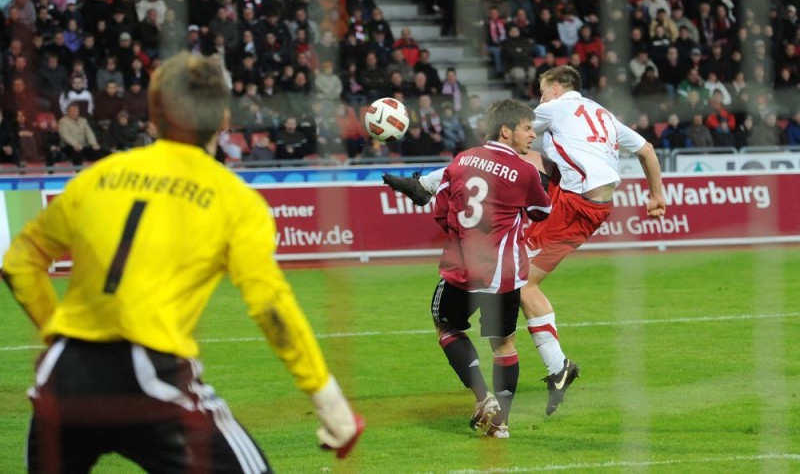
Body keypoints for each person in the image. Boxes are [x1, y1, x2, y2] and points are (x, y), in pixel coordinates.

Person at [1, 52, 364, 473]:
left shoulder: (98, 177)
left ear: (154, 114)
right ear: (224, 117)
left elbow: (18, 261)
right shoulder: (235, 201)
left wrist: (58, 333)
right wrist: (330, 402)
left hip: (61, 381)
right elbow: (270, 305)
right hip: (149, 374)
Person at [383, 66, 666, 415]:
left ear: (558, 89)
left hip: (573, 203)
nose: (540, 99)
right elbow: (648, 150)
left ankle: (424, 186)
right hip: (596, 205)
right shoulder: (601, 114)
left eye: (543, 90)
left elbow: (510, 133)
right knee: (526, 274)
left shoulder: (557, 107)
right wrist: (656, 195)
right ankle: (557, 367)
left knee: (522, 279)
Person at [431, 99, 551, 439]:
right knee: (504, 346)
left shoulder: (461, 159)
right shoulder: (526, 171)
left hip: (462, 268)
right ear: (506, 131)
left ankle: (483, 397)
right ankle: (501, 424)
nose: (533, 134)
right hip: (502, 275)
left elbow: (441, 212)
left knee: (446, 325)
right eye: (527, 128)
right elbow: (543, 211)